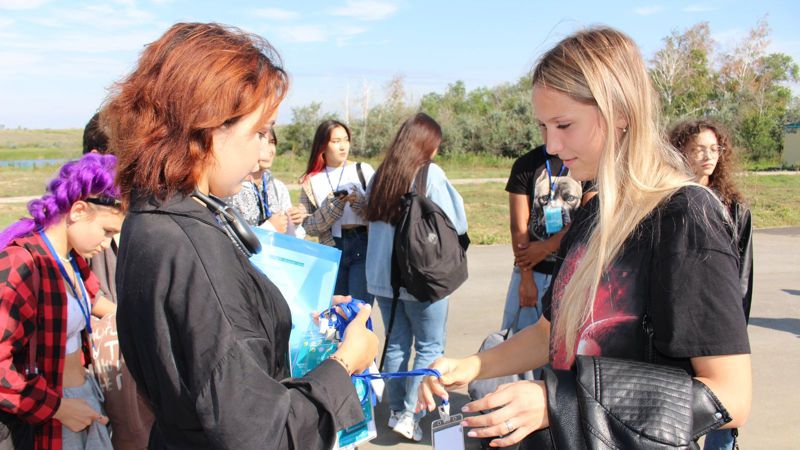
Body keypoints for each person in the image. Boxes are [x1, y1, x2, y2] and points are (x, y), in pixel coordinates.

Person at [419, 27, 751, 449]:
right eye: (543, 126)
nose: (552, 145)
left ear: (620, 113)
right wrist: (471, 366)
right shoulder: (595, 212)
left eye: (563, 124)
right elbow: (550, 334)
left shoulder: (686, 218)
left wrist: (556, 402)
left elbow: (732, 395)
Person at [102, 22, 378, 449]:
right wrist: (344, 365)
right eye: (258, 132)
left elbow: (208, 349)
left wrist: (298, 310)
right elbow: (261, 433)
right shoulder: (193, 245)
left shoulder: (150, 216)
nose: (260, 151)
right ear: (208, 128)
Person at [0, 153, 121, 449]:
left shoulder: (72, 259)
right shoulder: (23, 264)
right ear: (78, 210)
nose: (107, 245)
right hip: (50, 412)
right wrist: (58, 409)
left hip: (80, 398)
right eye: (107, 232)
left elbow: (89, 299)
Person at [365, 113, 468, 442]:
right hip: (422, 277)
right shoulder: (430, 174)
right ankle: (411, 414)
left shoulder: (381, 174)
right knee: (430, 345)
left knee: (396, 343)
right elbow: (456, 222)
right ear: (428, 144)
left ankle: (397, 410)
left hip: (383, 278)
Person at [669, 118, 754, 450]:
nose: (708, 156)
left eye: (714, 149)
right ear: (681, 152)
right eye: (698, 149)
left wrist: (736, 326)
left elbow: (742, 276)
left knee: (723, 410)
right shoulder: (669, 201)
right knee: (682, 408)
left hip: (718, 321)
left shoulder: (735, 207)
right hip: (679, 320)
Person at [80, 113, 156, 450]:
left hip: (128, 336)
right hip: (105, 344)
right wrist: (120, 315)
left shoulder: (125, 202)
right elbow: (82, 287)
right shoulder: (85, 211)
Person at [502, 144, 581, 347]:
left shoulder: (584, 162)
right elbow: (518, 227)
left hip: (571, 273)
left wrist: (548, 246)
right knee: (517, 345)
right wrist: (526, 279)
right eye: (543, 125)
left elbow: (588, 219)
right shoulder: (526, 164)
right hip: (531, 271)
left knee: (564, 346)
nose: (549, 132)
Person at [300, 120, 375, 304]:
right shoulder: (311, 180)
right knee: (335, 312)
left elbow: (378, 213)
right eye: (335, 141)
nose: (343, 146)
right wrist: (332, 207)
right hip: (332, 247)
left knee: (359, 310)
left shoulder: (362, 170)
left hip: (362, 243)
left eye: (346, 140)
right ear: (322, 145)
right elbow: (309, 226)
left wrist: (358, 201)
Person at [225, 127, 307, 237]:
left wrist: (293, 222)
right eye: (261, 140)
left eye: (272, 142)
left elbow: (290, 236)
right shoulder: (232, 189)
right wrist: (270, 227)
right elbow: (228, 238)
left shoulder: (278, 187)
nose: (269, 150)